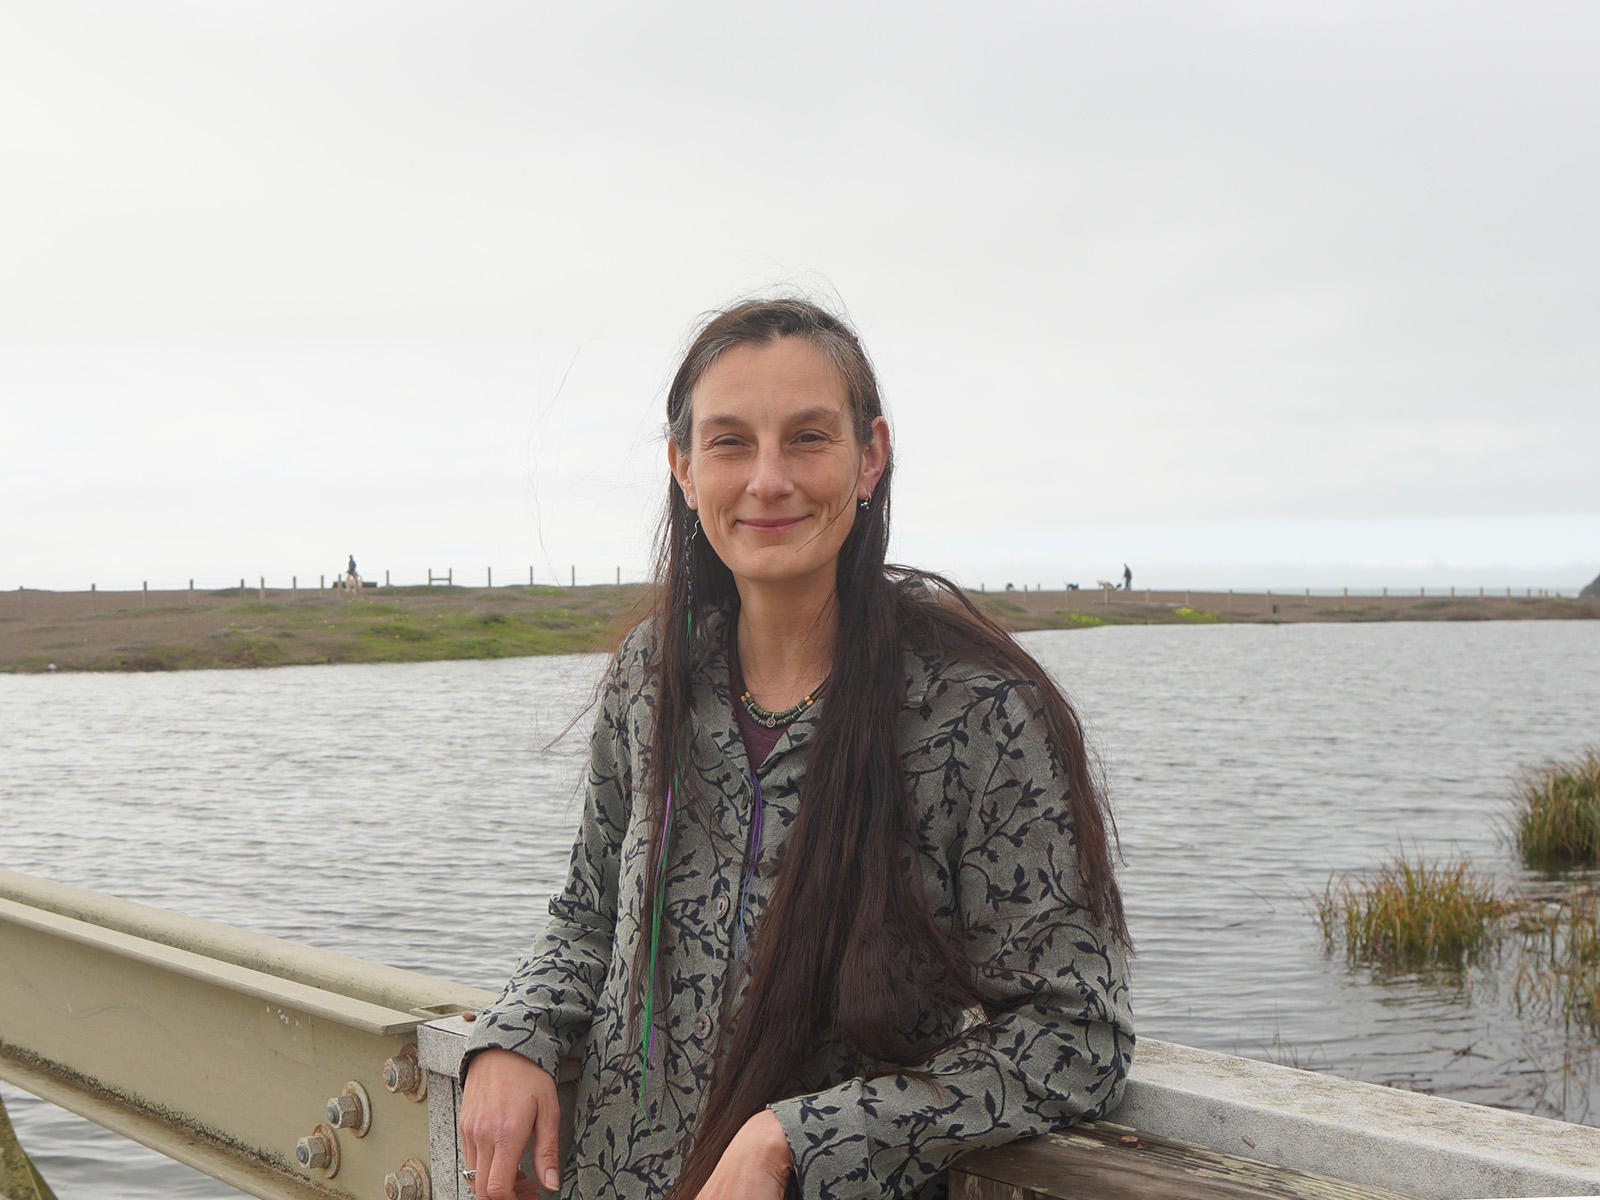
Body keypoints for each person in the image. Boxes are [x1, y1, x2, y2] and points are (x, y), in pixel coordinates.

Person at [458, 298, 1133, 1200]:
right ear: (683, 470)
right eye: (730, 442)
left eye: (808, 438)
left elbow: (1076, 1034)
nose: (768, 480)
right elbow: (589, 916)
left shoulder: (977, 715)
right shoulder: (653, 676)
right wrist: (516, 1032)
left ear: (871, 457)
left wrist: (799, 1138)